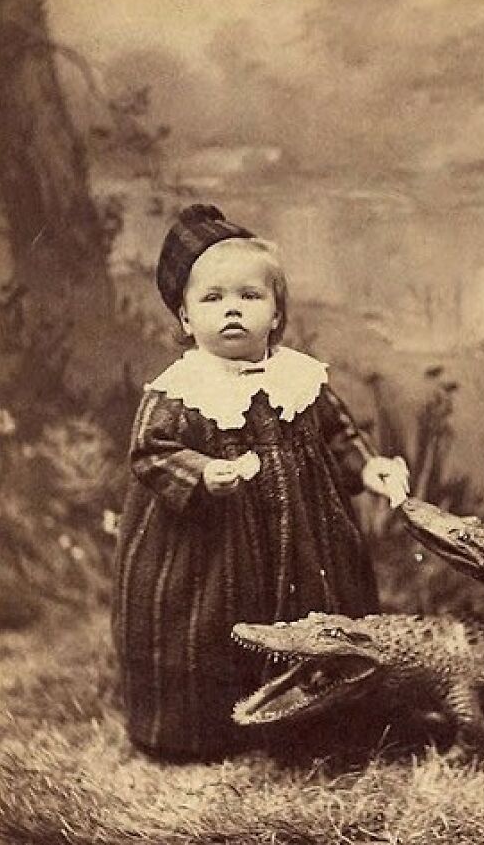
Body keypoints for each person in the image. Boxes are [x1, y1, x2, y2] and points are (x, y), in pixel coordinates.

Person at [111, 204, 409, 761]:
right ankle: (208, 732)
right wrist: (203, 472)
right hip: (208, 545)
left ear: (275, 314)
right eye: (212, 298)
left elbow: (338, 434)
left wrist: (371, 468)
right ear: (185, 319)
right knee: (209, 626)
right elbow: (150, 453)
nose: (232, 309)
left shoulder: (298, 378)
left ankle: (314, 723)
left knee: (316, 617)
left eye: (249, 296)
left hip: (304, 535)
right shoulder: (180, 390)